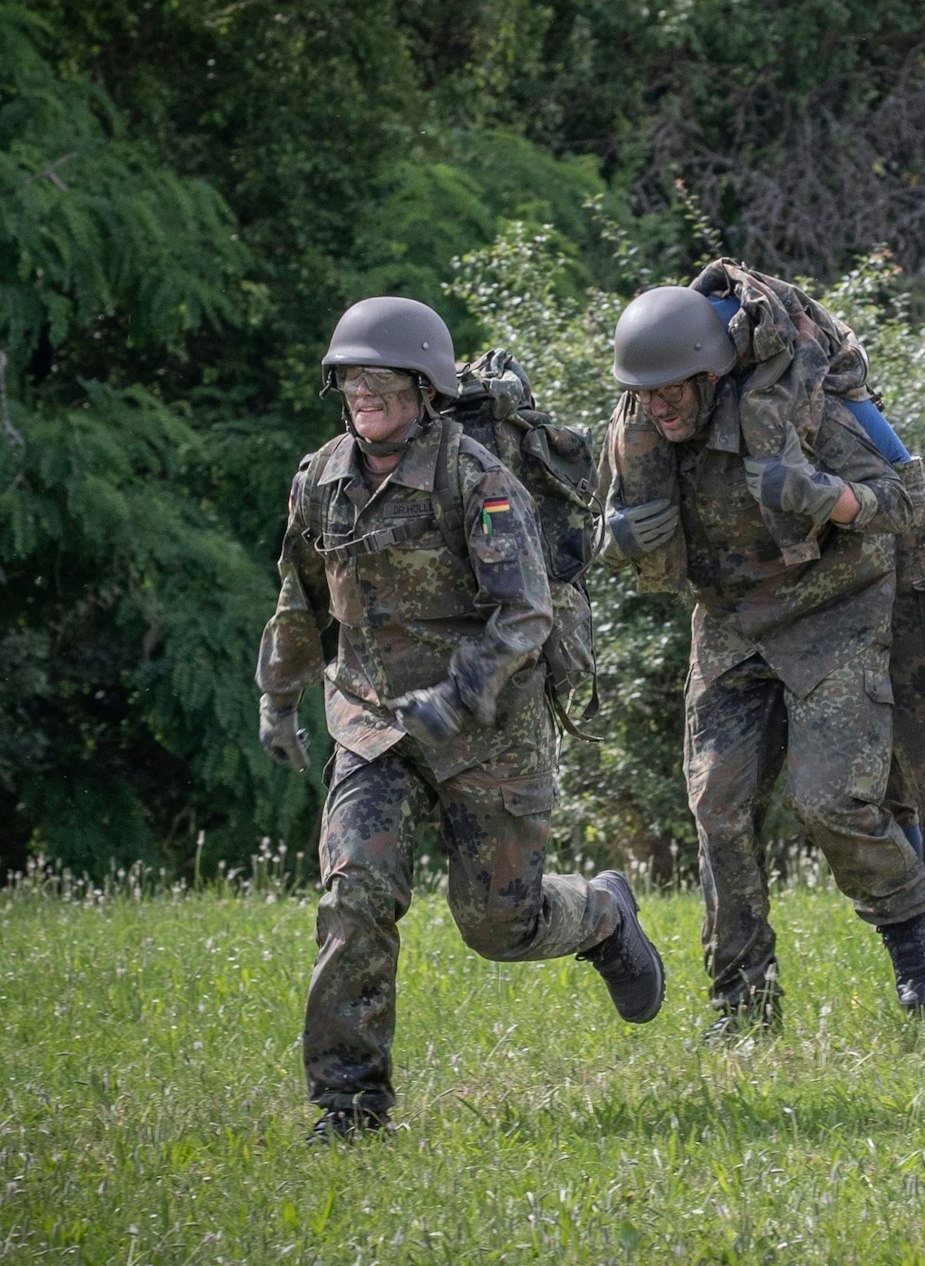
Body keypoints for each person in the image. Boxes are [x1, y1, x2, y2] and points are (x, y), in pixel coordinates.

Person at [256, 296, 664, 1141]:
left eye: (384, 380)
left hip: (490, 735)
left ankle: (603, 915)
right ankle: (351, 1105)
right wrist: (279, 698)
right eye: (353, 380)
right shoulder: (320, 481)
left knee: (499, 925)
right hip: (374, 726)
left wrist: (459, 694)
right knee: (354, 895)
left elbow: (525, 613)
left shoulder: (476, 479)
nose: (365, 394)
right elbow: (299, 605)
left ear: (426, 387)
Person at [597, 284, 925, 1042]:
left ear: (709, 374)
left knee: (829, 800)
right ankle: (741, 1004)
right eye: (644, 396)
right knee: (717, 807)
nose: (658, 409)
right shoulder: (638, 432)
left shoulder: (805, 409)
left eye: (669, 393)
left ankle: (911, 930)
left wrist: (824, 495)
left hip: (836, 607)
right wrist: (620, 537)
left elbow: (917, 508)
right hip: (730, 619)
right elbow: (599, 526)